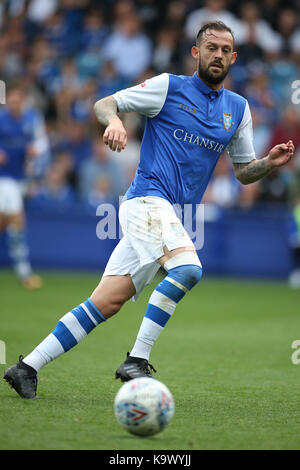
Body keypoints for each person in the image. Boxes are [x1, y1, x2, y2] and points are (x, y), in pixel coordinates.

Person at [3, 21, 294, 399]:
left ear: (234, 57)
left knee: (106, 302)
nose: (218, 55)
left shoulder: (238, 109)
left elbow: (243, 173)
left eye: (225, 50)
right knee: (188, 269)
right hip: (145, 201)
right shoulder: (168, 87)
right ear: (196, 52)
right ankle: (137, 360)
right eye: (211, 48)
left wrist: (268, 163)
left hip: (170, 216)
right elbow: (104, 103)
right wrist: (115, 122)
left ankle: (26, 368)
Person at [0, 84, 47, 290]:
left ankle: (23, 271)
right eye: (11, 100)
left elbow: (42, 141)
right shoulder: (1, 119)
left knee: (7, 223)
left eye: (18, 100)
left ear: (23, 101)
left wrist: (35, 149)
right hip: (3, 178)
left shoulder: (32, 119)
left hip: (21, 179)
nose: (14, 103)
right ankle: (24, 272)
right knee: (18, 220)